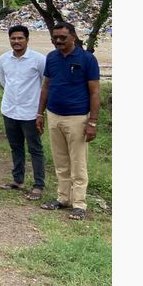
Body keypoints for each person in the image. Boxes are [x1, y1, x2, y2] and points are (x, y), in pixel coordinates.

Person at [36, 22, 100, 221]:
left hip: (77, 118)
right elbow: (46, 86)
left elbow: (95, 92)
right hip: (54, 116)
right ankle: (63, 198)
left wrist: (93, 122)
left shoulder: (87, 59)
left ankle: (79, 204)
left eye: (63, 37)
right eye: (55, 38)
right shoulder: (52, 57)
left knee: (78, 164)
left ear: (73, 37)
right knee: (60, 161)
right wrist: (40, 114)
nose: (58, 41)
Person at [0, 25, 47, 200]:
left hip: (30, 112)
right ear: (9, 39)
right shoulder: (4, 59)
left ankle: (38, 185)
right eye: (13, 38)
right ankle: (18, 180)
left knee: (35, 149)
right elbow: (4, 81)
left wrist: (41, 112)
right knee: (16, 147)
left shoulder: (39, 60)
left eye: (20, 38)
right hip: (9, 110)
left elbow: (44, 85)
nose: (16, 41)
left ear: (27, 39)